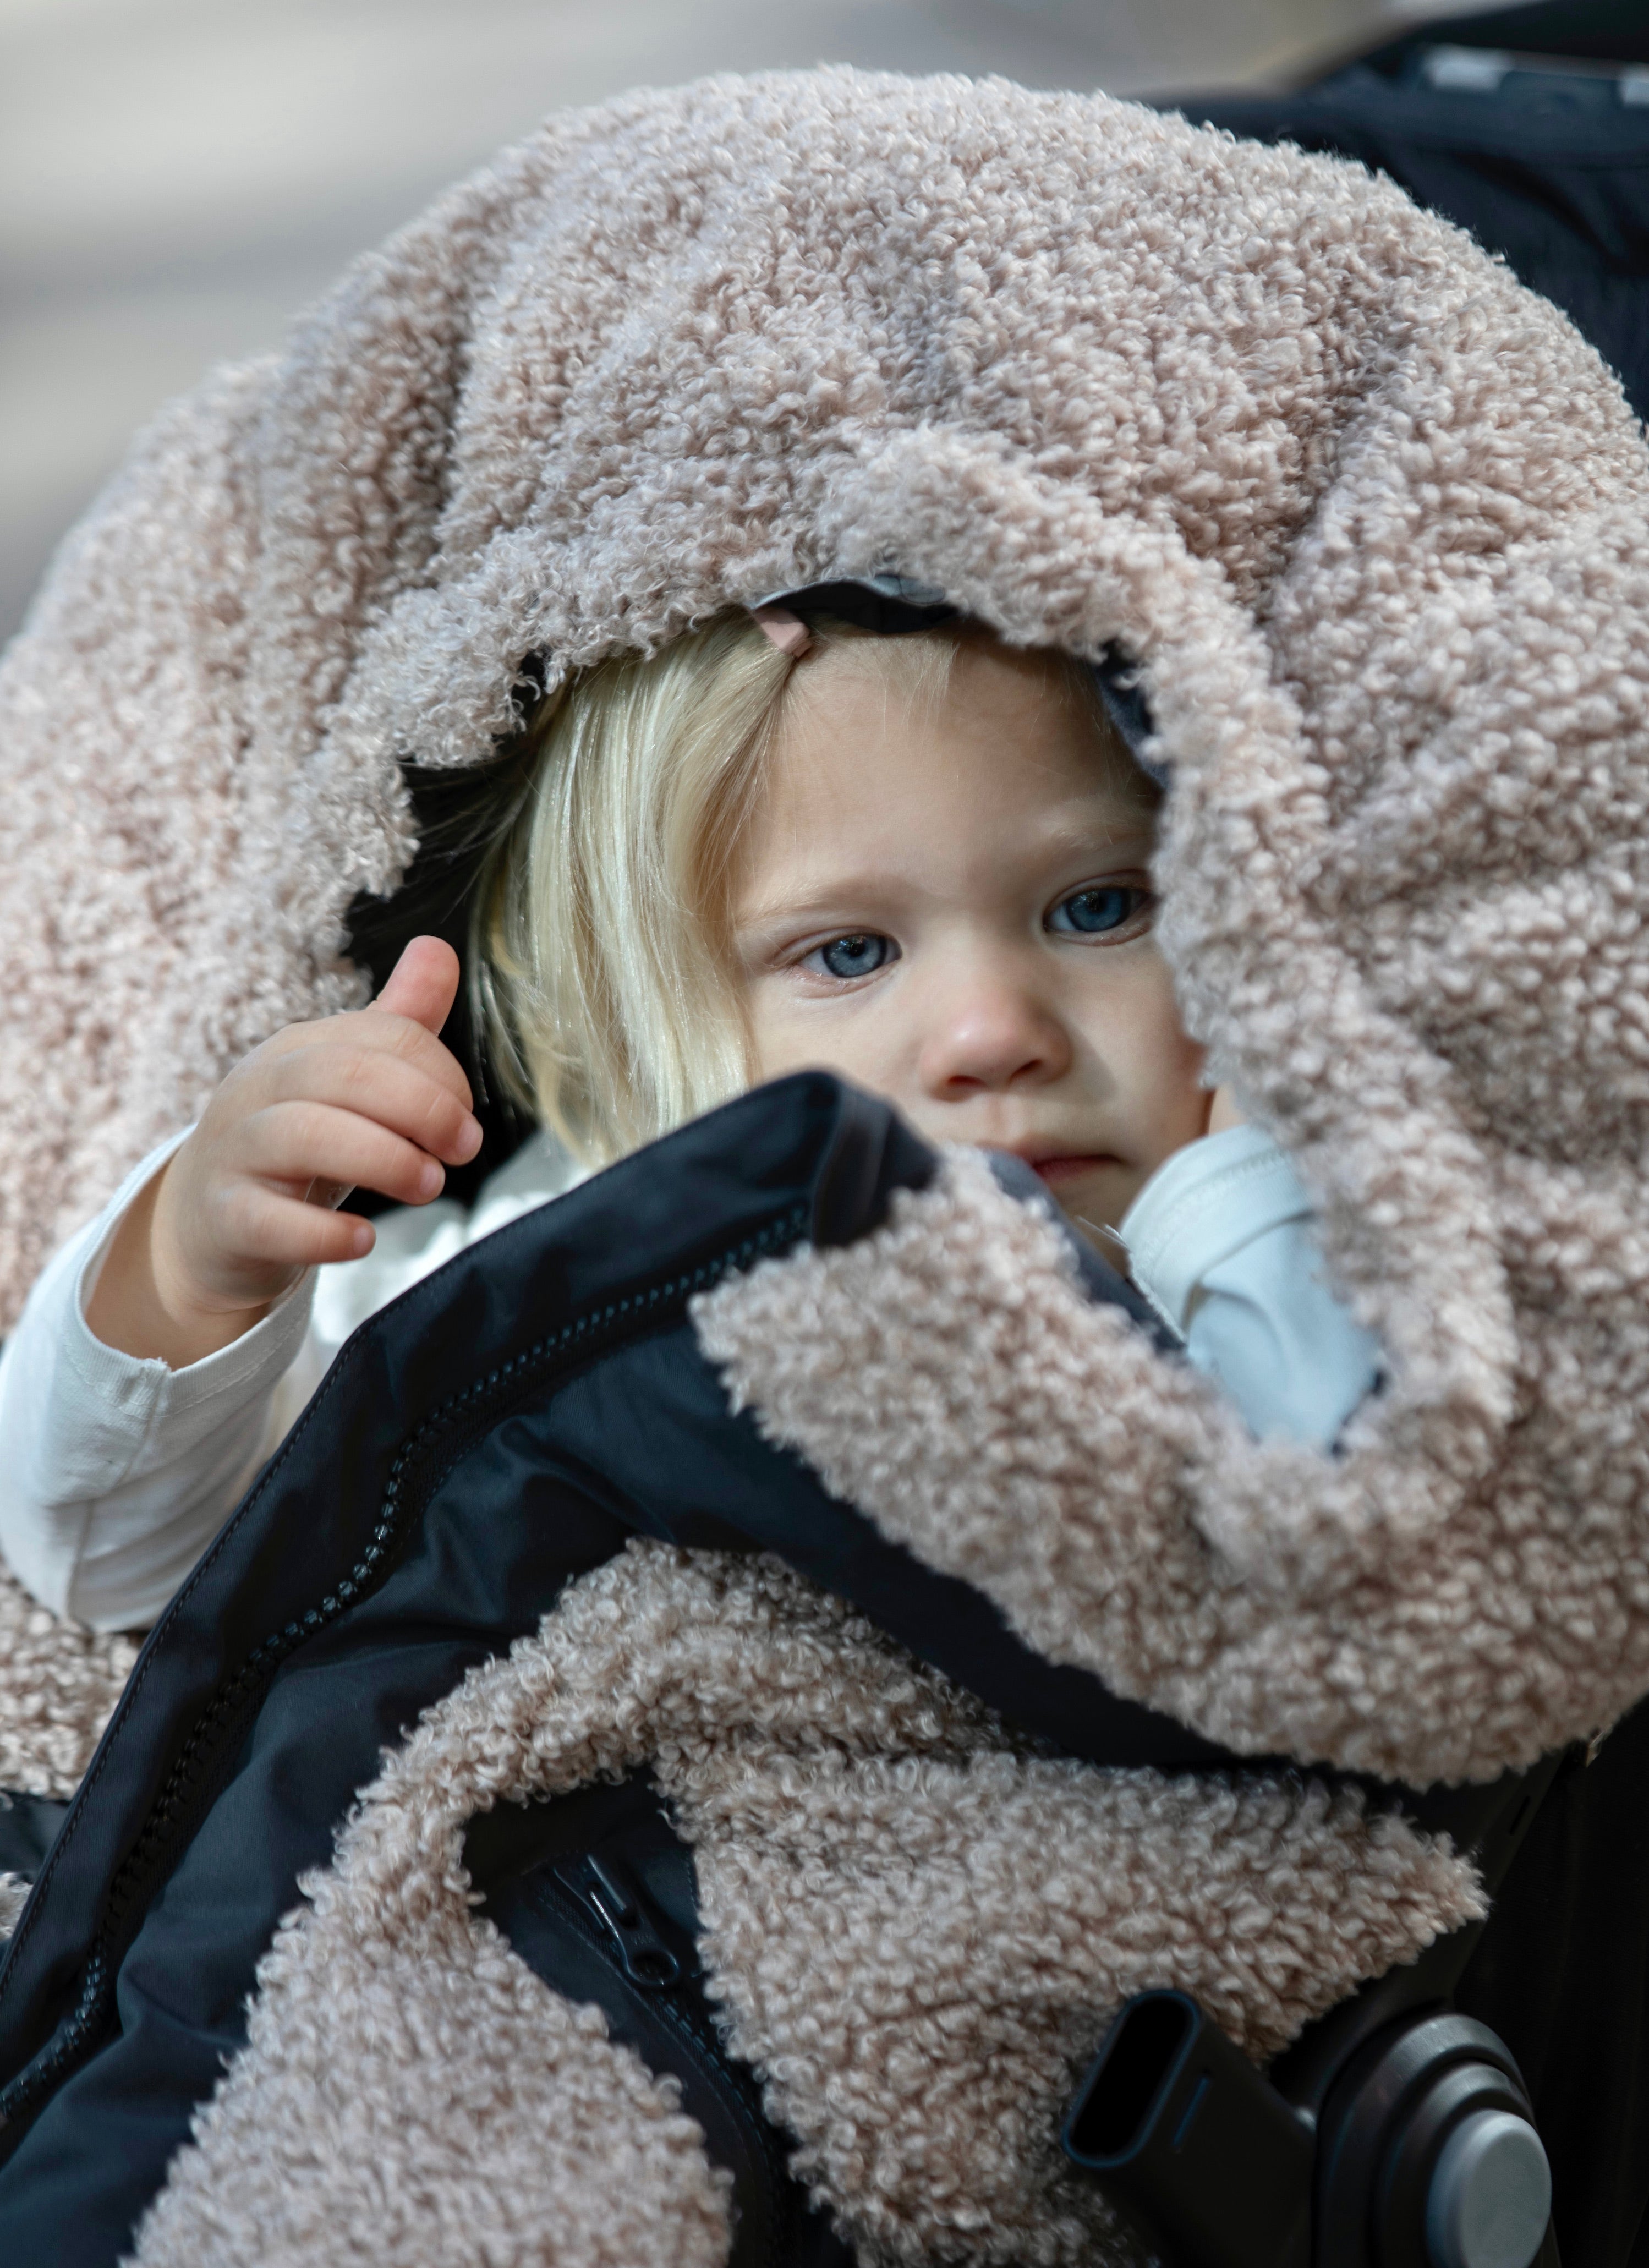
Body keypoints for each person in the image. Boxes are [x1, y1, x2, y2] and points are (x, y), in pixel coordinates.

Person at [0, 604, 1379, 1636]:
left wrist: (1238, 1191)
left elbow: (1379, 1572)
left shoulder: (1270, 1233)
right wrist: (187, 1269)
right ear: (628, 1017)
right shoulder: (577, 1255)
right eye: (846, 954)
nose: (990, 1033)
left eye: (1096, 908)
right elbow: (125, 1569)